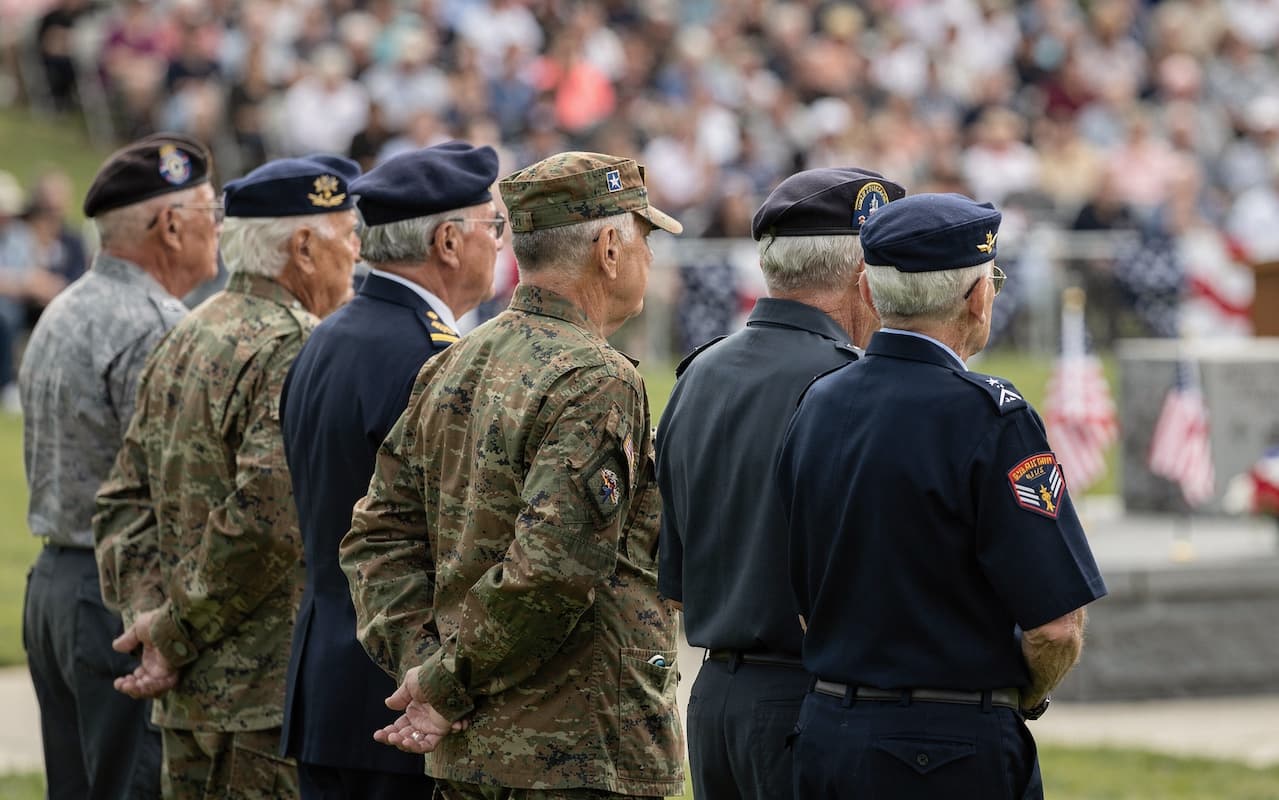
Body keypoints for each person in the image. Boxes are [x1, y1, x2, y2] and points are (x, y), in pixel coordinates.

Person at [339, 152, 685, 799]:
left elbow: (376, 539)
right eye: (643, 239)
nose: (649, 258)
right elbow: (551, 569)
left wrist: (425, 667)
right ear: (608, 247)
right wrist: (440, 683)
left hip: (476, 750)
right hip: (579, 751)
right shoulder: (595, 378)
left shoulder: (455, 361)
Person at [777, 193, 1108, 799]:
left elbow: (804, 601)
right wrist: (1024, 696)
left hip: (826, 735)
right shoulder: (991, 418)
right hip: (947, 748)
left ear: (870, 293)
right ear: (977, 298)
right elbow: (1055, 628)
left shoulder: (817, 403)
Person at [93, 154, 363, 800]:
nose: (356, 252)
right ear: (302, 247)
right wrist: (172, 632)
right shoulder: (296, 348)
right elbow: (269, 521)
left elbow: (121, 502)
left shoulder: (186, 333)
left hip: (189, 691)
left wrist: (151, 618)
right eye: (347, 236)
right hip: (260, 699)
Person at [656, 167, 905, 800]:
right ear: (862, 276)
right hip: (811, 698)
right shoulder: (850, 387)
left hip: (718, 701)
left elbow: (675, 580)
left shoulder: (700, 374)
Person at [279, 141, 502, 800]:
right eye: (493, 226)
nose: (500, 244)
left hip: (328, 684)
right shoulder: (431, 358)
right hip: (401, 692)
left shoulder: (328, 334)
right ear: (448, 242)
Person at [20, 133, 218, 800]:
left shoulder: (67, 305)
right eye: (207, 213)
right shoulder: (153, 325)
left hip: (58, 584)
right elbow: (178, 490)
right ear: (169, 225)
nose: (216, 230)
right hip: (122, 599)